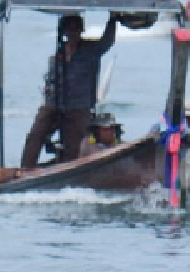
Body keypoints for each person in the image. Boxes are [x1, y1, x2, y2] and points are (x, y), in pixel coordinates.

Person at [20, 13, 118, 167]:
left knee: (73, 148)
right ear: (64, 32)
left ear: (81, 31)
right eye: (69, 31)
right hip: (54, 104)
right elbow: (51, 79)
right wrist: (48, 88)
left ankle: (66, 169)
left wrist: (112, 20)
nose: (72, 34)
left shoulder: (91, 51)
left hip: (78, 107)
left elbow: (107, 42)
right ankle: (25, 169)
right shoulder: (57, 56)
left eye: (76, 30)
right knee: (35, 135)